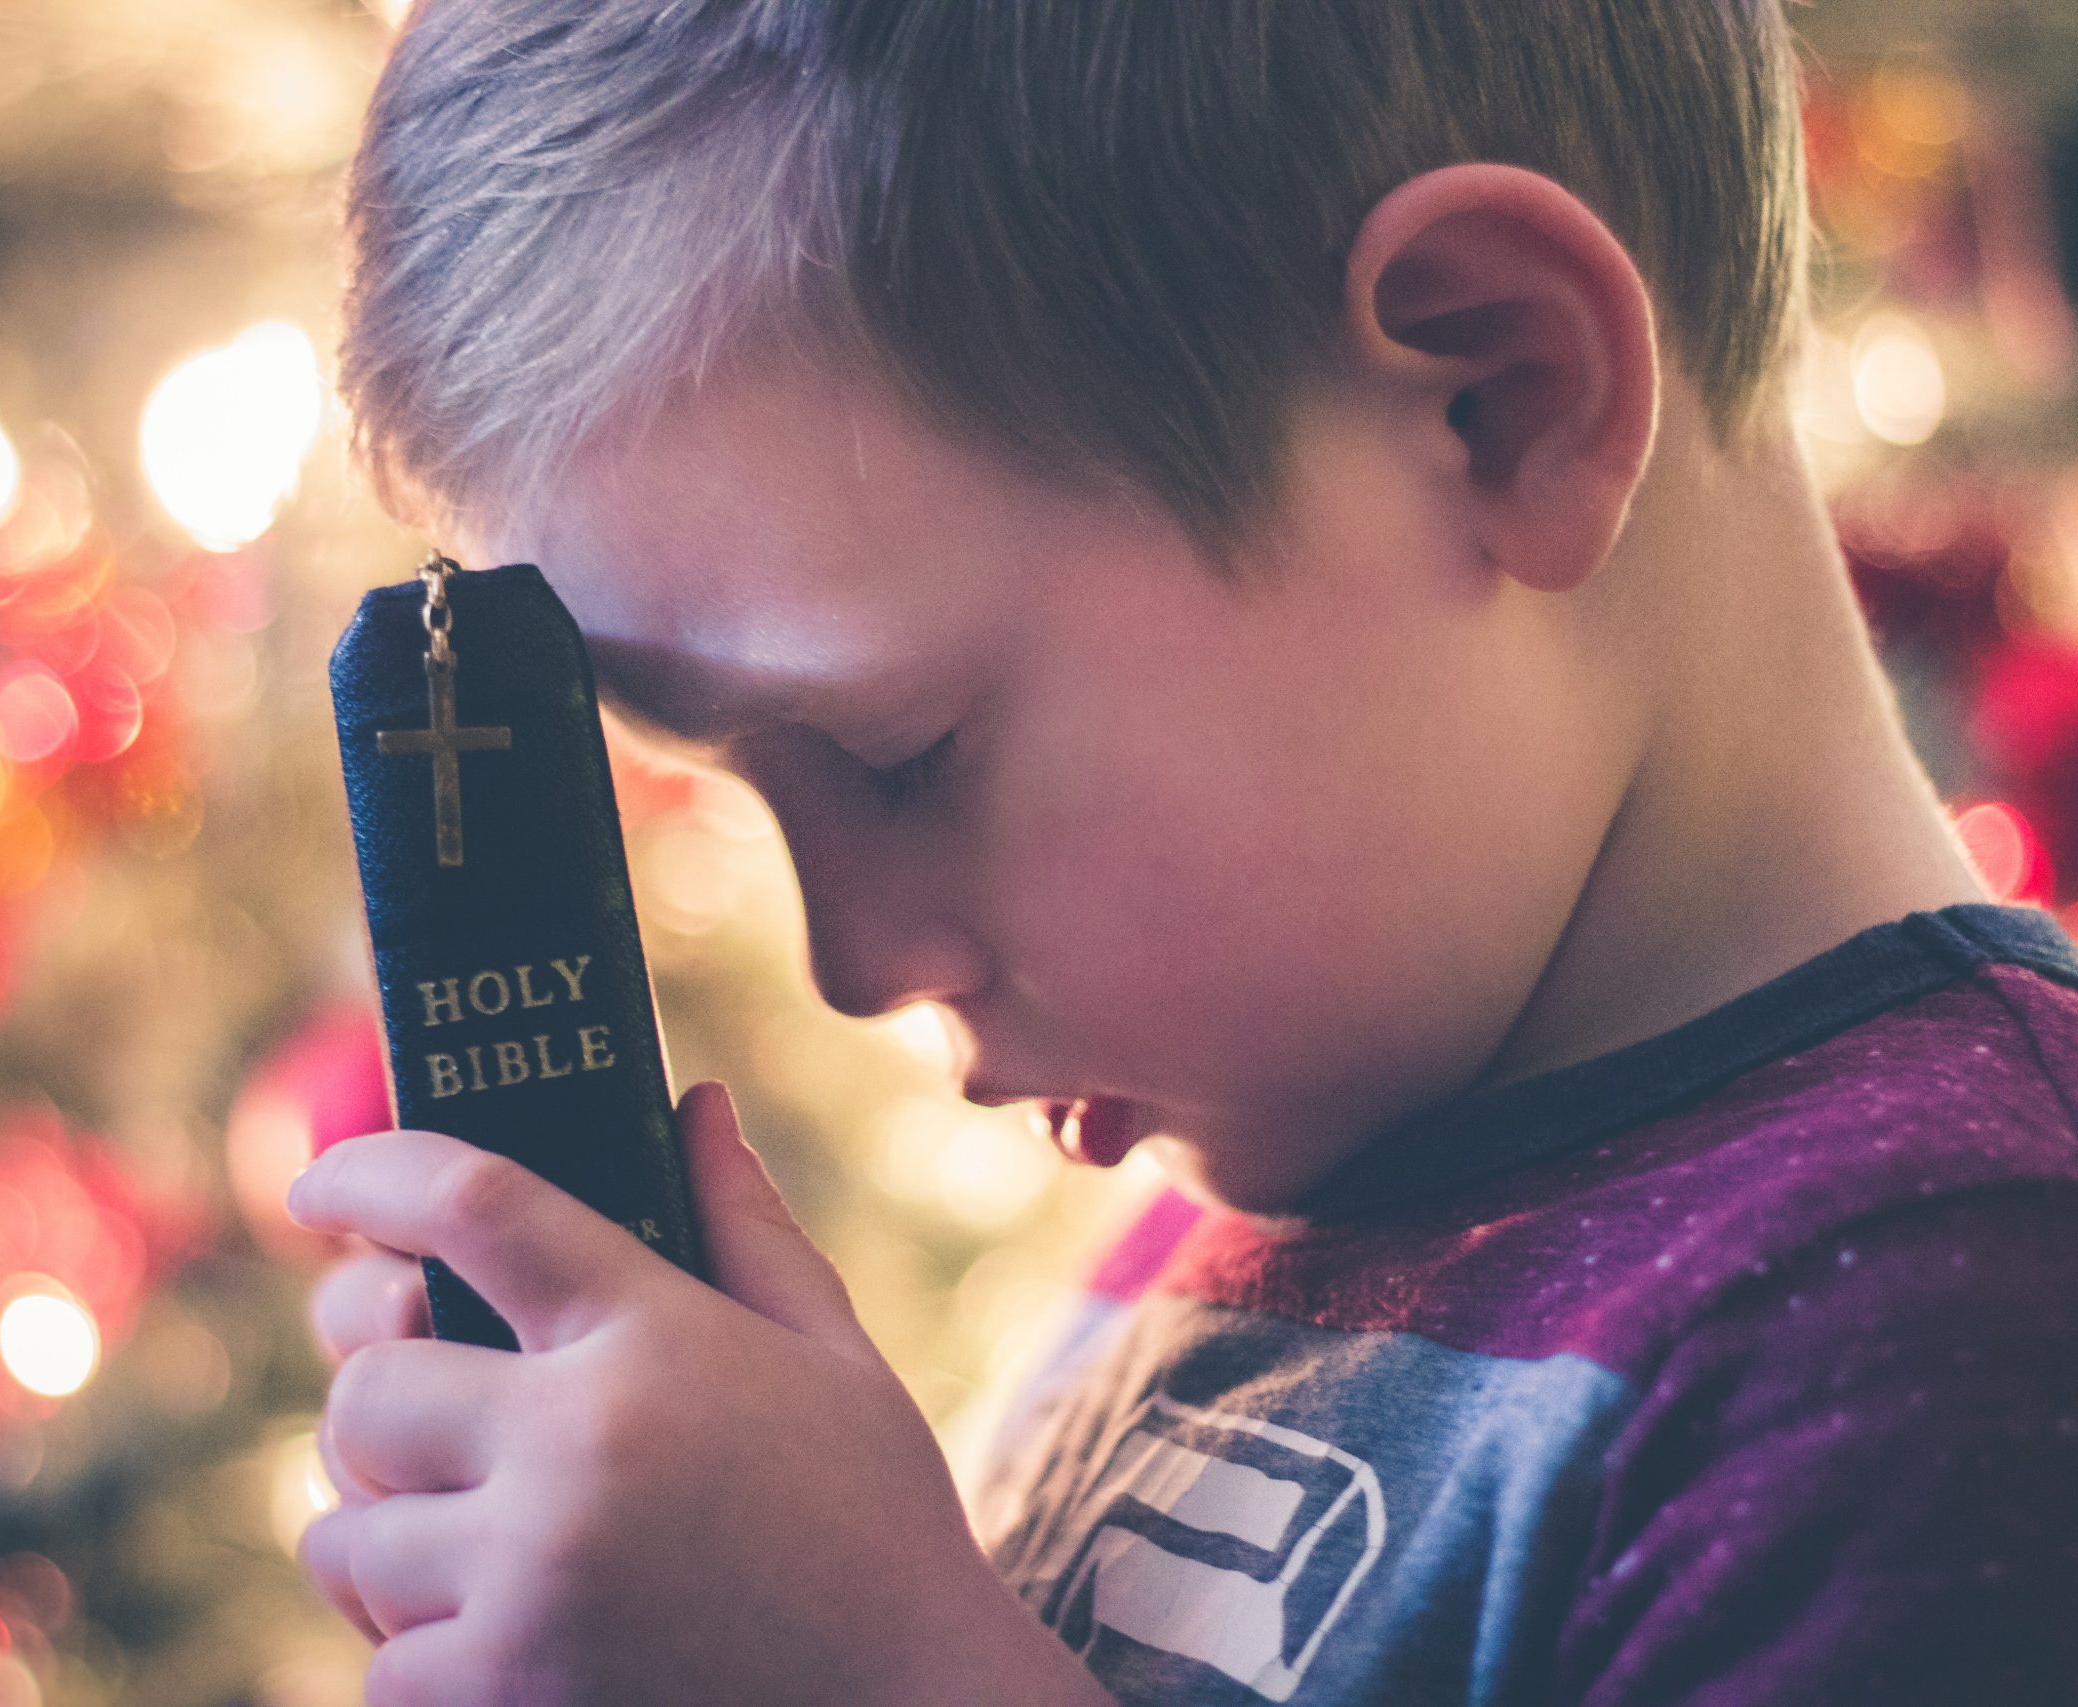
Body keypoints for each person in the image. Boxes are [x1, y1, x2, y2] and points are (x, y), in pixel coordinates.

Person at [285, 2, 2078, 1701]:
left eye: (904, 758)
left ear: (1498, 400)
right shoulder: (1236, 1218)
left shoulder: (1957, 1322)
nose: (851, 964)